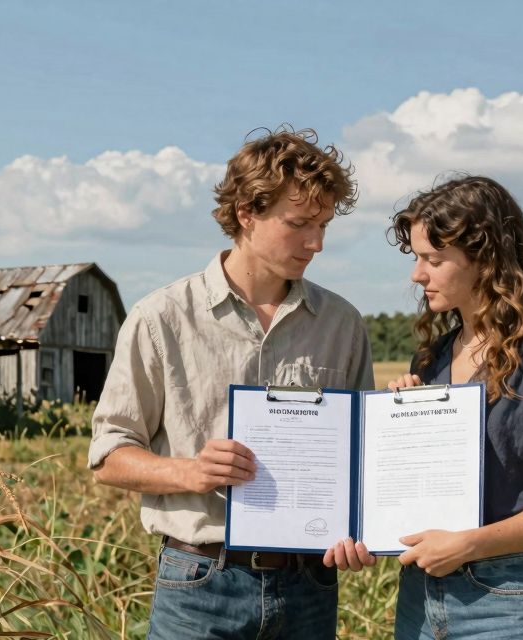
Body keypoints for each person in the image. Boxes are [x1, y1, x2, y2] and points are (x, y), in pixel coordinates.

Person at [88, 126, 375, 638]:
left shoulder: (343, 324)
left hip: (311, 586)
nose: (317, 243)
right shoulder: (161, 318)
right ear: (247, 212)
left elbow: (364, 456)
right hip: (199, 585)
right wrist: (192, 472)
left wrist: (361, 528)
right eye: (300, 224)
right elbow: (109, 456)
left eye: (324, 225)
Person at [383, 176, 523, 639]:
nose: (417, 275)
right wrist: (398, 423)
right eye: (417, 258)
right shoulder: (431, 358)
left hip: (506, 600)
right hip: (419, 599)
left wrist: (467, 545)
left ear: (485, 261)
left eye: (433, 260)